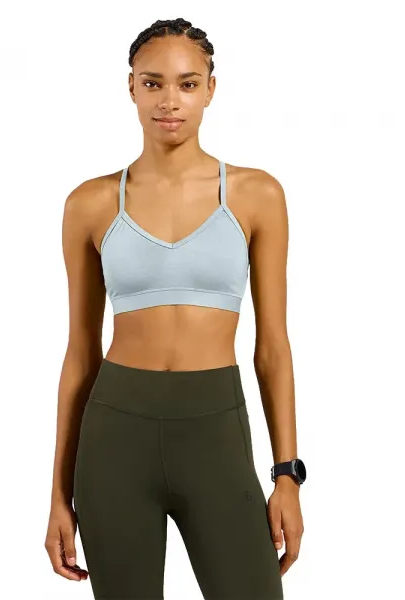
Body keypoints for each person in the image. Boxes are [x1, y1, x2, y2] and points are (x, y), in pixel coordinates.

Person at [45, 17, 305, 600]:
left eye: (187, 84)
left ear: (210, 89)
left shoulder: (256, 195)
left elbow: (273, 347)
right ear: (131, 88)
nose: (170, 100)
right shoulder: (90, 203)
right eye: (153, 83)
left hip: (215, 431)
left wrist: (287, 475)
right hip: (116, 435)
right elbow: (80, 353)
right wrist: (59, 494)